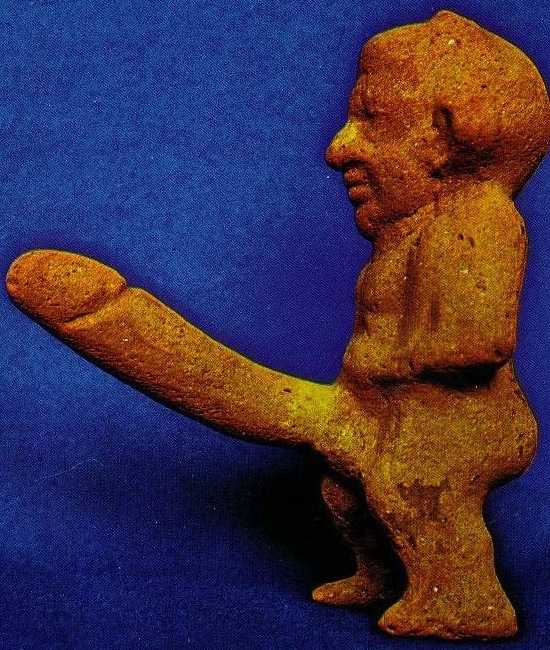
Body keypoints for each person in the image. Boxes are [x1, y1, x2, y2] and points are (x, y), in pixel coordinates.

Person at [6, 10, 549, 640]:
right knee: (344, 490)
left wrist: (389, 366)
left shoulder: (477, 220)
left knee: (410, 480)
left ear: (446, 139)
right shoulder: (411, 235)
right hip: (389, 410)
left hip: (465, 424)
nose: (338, 148)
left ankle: (463, 596)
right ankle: (383, 572)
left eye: (372, 120)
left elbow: (479, 343)